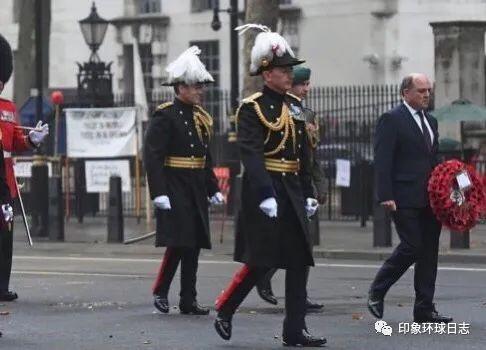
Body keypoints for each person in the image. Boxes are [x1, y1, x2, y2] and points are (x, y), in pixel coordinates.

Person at [213, 24, 326, 347]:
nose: (288, 74)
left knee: (299, 260)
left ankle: (295, 330)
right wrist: (265, 193)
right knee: (263, 259)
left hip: (291, 187)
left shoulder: (295, 106)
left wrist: (308, 193)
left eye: (289, 69)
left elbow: (302, 153)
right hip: (265, 191)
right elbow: (250, 152)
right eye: (282, 69)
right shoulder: (252, 108)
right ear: (266, 73)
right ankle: (225, 307)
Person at [144, 46, 223, 316]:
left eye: (201, 86)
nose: (200, 91)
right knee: (179, 242)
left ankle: (188, 299)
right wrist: (159, 192)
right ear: (180, 88)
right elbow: (153, 157)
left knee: (195, 244)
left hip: (195, 186)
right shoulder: (165, 115)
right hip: (174, 185)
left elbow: (205, 156)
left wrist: (212, 187)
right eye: (195, 86)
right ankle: (161, 291)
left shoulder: (200, 118)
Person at [367, 73, 452, 323]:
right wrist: (385, 194)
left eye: (428, 90)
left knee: (429, 252)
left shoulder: (431, 121)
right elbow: (382, 160)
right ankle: (378, 289)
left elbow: (434, 159)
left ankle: (424, 308)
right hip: (403, 196)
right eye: (421, 90)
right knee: (412, 246)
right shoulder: (391, 119)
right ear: (406, 93)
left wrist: (451, 183)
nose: (426, 95)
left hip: (431, 198)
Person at [256, 66, 325, 313]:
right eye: (301, 84)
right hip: (284, 184)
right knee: (284, 242)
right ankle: (262, 276)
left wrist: (319, 185)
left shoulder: (308, 115)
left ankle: (299, 295)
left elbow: (311, 157)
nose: (306, 89)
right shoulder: (281, 111)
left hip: (302, 184)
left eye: (307, 84)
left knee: (302, 244)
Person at [0, 33, 49, 302]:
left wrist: (31, 139)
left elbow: (16, 141)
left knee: (5, 236)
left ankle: (2, 285)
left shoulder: (8, 108)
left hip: (4, 182)